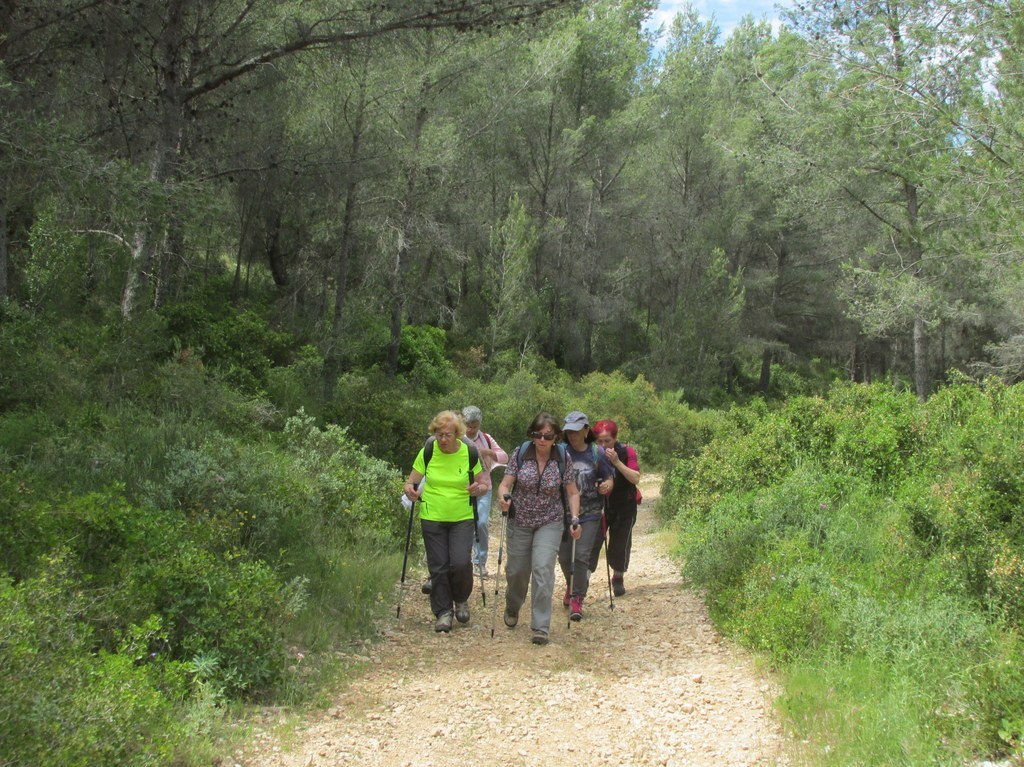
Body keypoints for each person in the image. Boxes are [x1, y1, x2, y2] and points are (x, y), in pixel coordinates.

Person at [496, 412, 581, 645]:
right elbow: (505, 483)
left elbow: (573, 492)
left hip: (550, 521)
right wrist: (504, 496)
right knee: (517, 572)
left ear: (555, 437)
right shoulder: (521, 453)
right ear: (531, 435)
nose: (542, 440)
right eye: (537, 434)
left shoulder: (563, 457)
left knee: (543, 569)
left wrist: (575, 518)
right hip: (520, 520)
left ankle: (540, 626)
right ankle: (513, 605)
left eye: (547, 436)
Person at [404, 411, 491, 632]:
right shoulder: (428, 451)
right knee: (438, 565)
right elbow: (411, 481)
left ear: (458, 434)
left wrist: (477, 490)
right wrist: (411, 490)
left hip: (461, 517)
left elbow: (484, 484)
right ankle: (443, 612)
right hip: (432, 515)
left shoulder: (469, 452)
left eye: (448, 435)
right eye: (439, 434)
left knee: (460, 562)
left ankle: (461, 598)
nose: (443, 440)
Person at [557, 411, 614, 621]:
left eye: (576, 431)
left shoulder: (596, 452)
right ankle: (572, 584)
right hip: (563, 512)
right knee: (564, 557)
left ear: (586, 430)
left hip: (590, 513)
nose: (572, 435)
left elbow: (609, 478)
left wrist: (607, 485)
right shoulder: (560, 452)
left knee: (581, 555)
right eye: (569, 431)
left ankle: (577, 598)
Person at [589, 419, 641, 596]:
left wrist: (617, 462)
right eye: (599, 442)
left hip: (624, 505)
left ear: (615, 438)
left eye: (607, 441)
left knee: (620, 544)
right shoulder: (590, 453)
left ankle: (618, 576)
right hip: (598, 505)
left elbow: (635, 478)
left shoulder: (627, 452)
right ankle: (583, 580)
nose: (603, 445)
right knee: (593, 542)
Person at [462, 405, 508, 578]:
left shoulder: (486, 439)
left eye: (474, 425)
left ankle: (479, 562)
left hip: (484, 488)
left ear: (479, 424)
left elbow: (504, 456)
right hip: (463, 489)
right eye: (468, 425)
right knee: (464, 525)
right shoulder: (457, 438)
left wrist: (486, 452)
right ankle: (463, 561)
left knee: (481, 523)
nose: (471, 429)